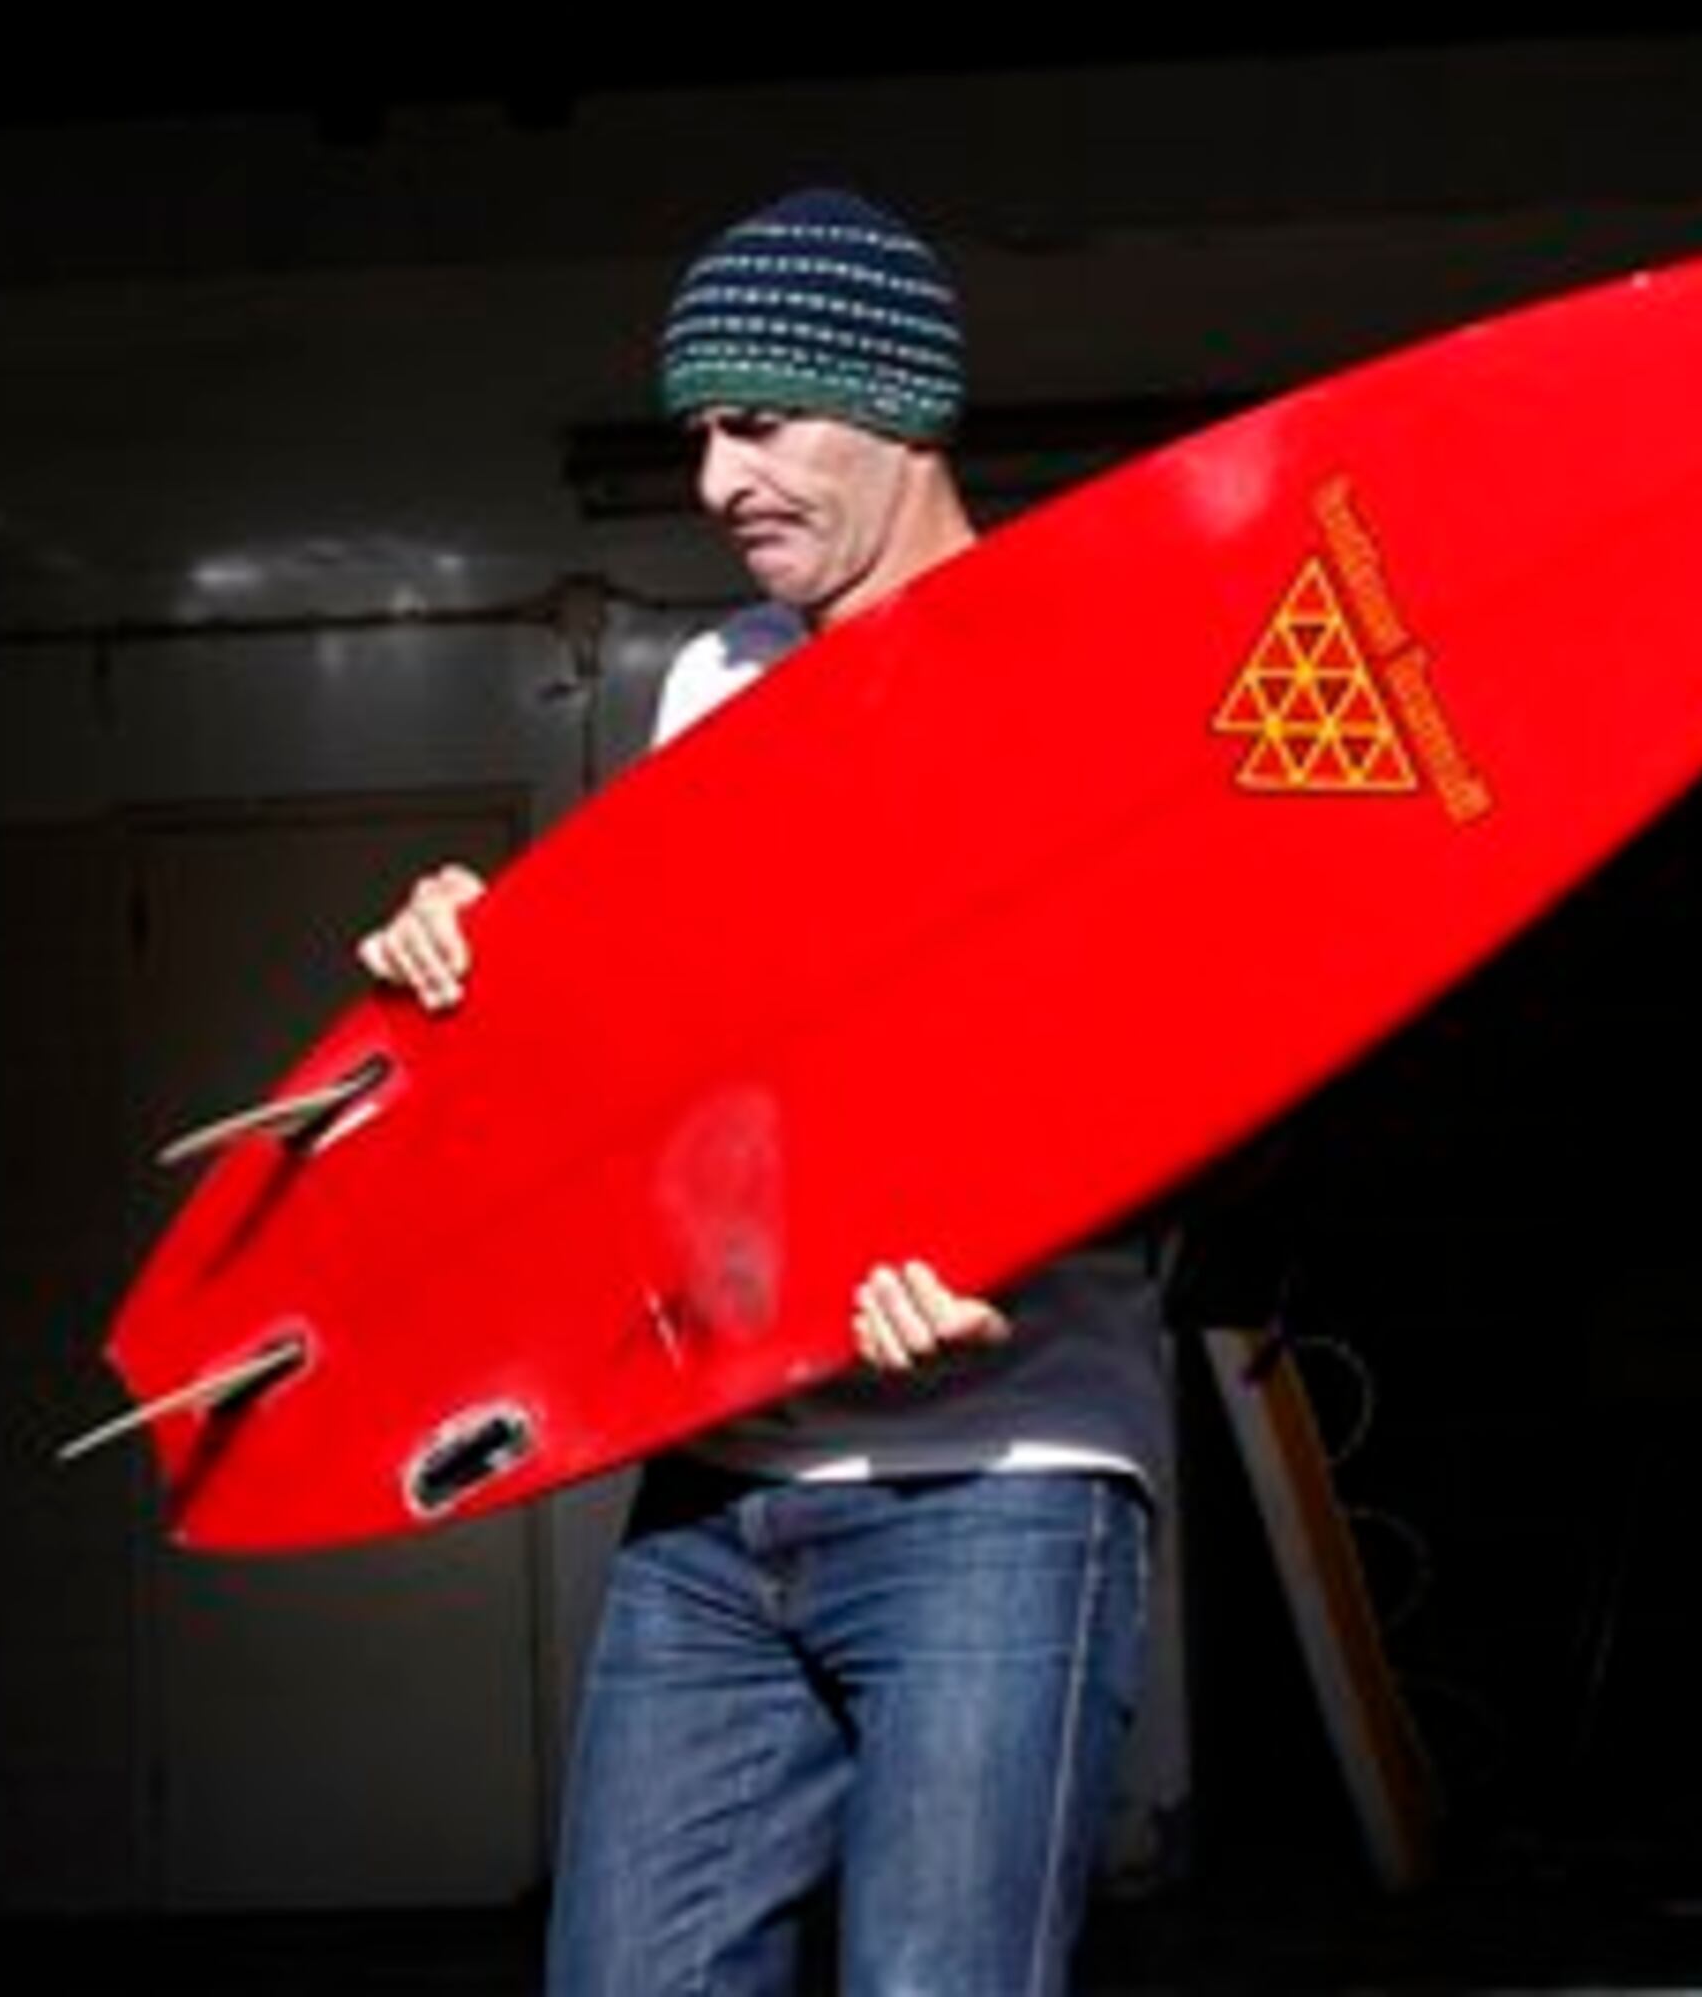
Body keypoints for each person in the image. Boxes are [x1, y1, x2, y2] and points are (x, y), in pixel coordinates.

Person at [353, 186, 1175, 1995]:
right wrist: (479, 954)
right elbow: (667, 1032)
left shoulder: (1093, 656)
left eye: (760, 420)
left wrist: (1012, 1245)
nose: (718, 479)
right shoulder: (713, 679)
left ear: (900, 407)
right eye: (697, 434)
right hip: (720, 1487)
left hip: (996, 1483)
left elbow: (1197, 1039)